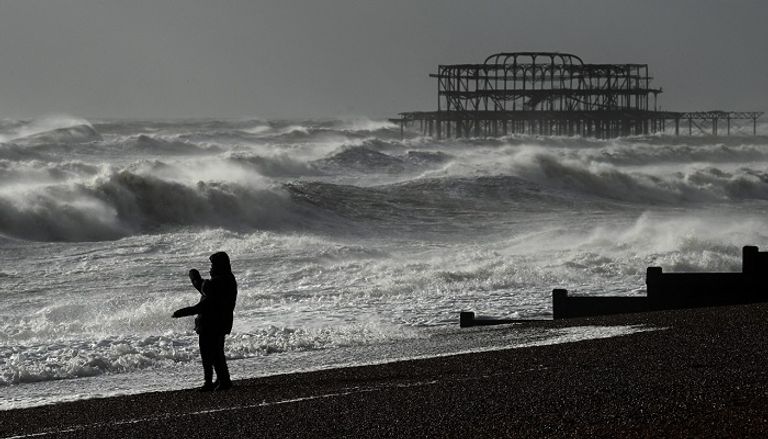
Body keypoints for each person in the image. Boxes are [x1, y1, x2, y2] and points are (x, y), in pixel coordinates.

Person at [172, 251, 238, 392]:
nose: (211, 268)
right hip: (221, 322)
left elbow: (202, 299)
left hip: (212, 323)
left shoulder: (218, 282)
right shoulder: (228, 279)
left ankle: (219, 382)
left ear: (219, 266)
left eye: (213, 265)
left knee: (210, 354)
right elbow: (203, 288)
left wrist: (193, 275)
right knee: (215, 353)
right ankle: (219, 380)